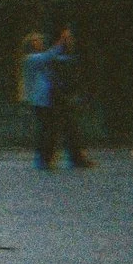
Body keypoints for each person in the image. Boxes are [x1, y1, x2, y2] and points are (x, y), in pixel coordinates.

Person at [25, 27, 93, 169]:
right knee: (49, 129)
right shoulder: (31, 58)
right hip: (42, 99)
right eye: (37, 41)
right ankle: (46, 159)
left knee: (65, 126)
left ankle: (70, 157)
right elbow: (49, 57)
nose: (41, 42)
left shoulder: (43, 57)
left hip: (52, 97)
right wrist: (61, 42)